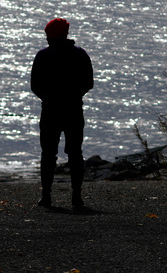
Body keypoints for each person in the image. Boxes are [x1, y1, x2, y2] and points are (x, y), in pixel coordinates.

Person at [31, 17, 94, 209]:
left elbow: (35, 85)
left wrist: (48, 97)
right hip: (74, 108)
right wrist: (74, 95)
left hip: (50, 109)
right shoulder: (80, 55)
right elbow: (88, 83)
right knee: (75, 153)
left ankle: (46, 195)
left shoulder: (43, 56)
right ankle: (76, 196)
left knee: (48, 153)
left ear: (51, 36)